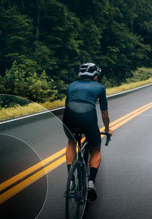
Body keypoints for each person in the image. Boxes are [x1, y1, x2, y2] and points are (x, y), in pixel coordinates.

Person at [63, 62, 113, 201]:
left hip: (68, 118)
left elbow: (67, 105)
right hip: (88, 118)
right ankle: (91, 183)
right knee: (95, 149)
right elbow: (104, 114)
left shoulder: (71, 86)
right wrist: (108, 129)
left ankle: (71, 182)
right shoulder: (100, 88)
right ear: (95, 77)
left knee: (71, 142)